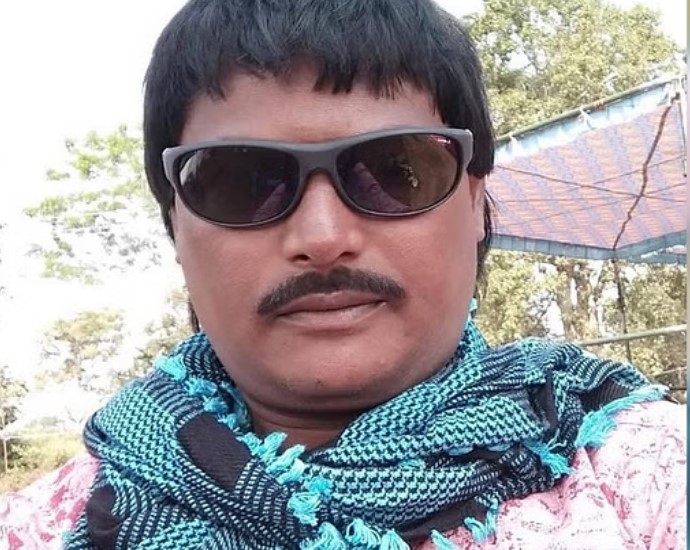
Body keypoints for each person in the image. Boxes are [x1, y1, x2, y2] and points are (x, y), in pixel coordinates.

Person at [1, 0, 685, 548]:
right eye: (242, 181)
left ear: (477, 203)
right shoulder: (48, 526)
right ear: (174, 225)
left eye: (395, 170)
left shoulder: (651, 481)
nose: (323, 238)